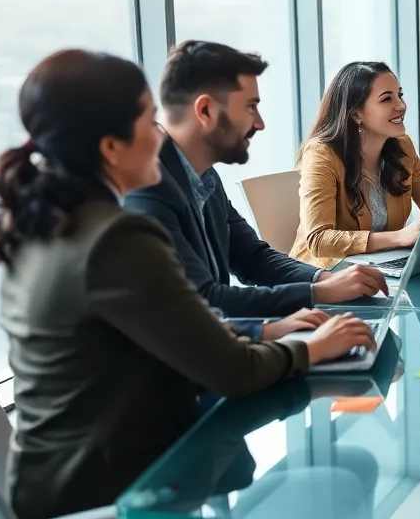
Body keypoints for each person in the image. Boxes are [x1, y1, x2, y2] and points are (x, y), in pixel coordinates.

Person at [0, 49, 402, 519]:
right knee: (340, 490)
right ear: (111, 147)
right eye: (144, 121)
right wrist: (310, 348)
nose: (158, 132)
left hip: (66, 514)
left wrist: (272, 328)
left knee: (344, 476)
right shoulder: (117, 237)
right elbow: (231, 370)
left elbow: (161, 329)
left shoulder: (50, 227)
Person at [124, 41, 388, 321]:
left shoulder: (203, 176)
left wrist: (324, 278)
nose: (260, 123)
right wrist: (319, 293)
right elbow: (204, 300)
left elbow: (252, 258)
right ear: (205, 111)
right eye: (250, 107)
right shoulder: (148, 190)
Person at [290, 61, 420, 268]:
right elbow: (319, 240)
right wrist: (399, 238)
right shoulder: (322, 154)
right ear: (356, 114)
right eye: (386, 99)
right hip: (325, 276)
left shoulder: (403, 148)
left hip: (379, 267)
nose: (401, 106)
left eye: (399, 95)